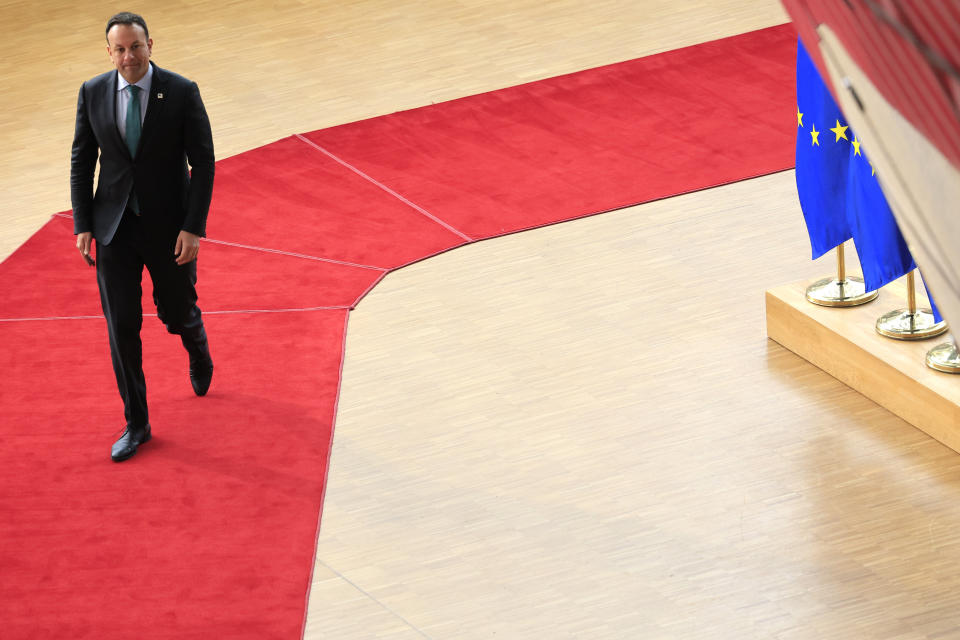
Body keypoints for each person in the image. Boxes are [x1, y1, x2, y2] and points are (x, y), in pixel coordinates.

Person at [71, 12, 216, 462]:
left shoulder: (181, 91)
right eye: (120, 49)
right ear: (109, 51)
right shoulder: (92, 92)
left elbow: (204, 164)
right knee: (122, 328)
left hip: (169, 228)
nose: (129, 56)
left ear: (150, 44)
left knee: (174, 310)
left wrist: (193, 228)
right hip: (115, 228)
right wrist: (83, 224)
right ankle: (137, 423)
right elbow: (82, 160)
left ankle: (196, 344)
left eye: (136, 47)